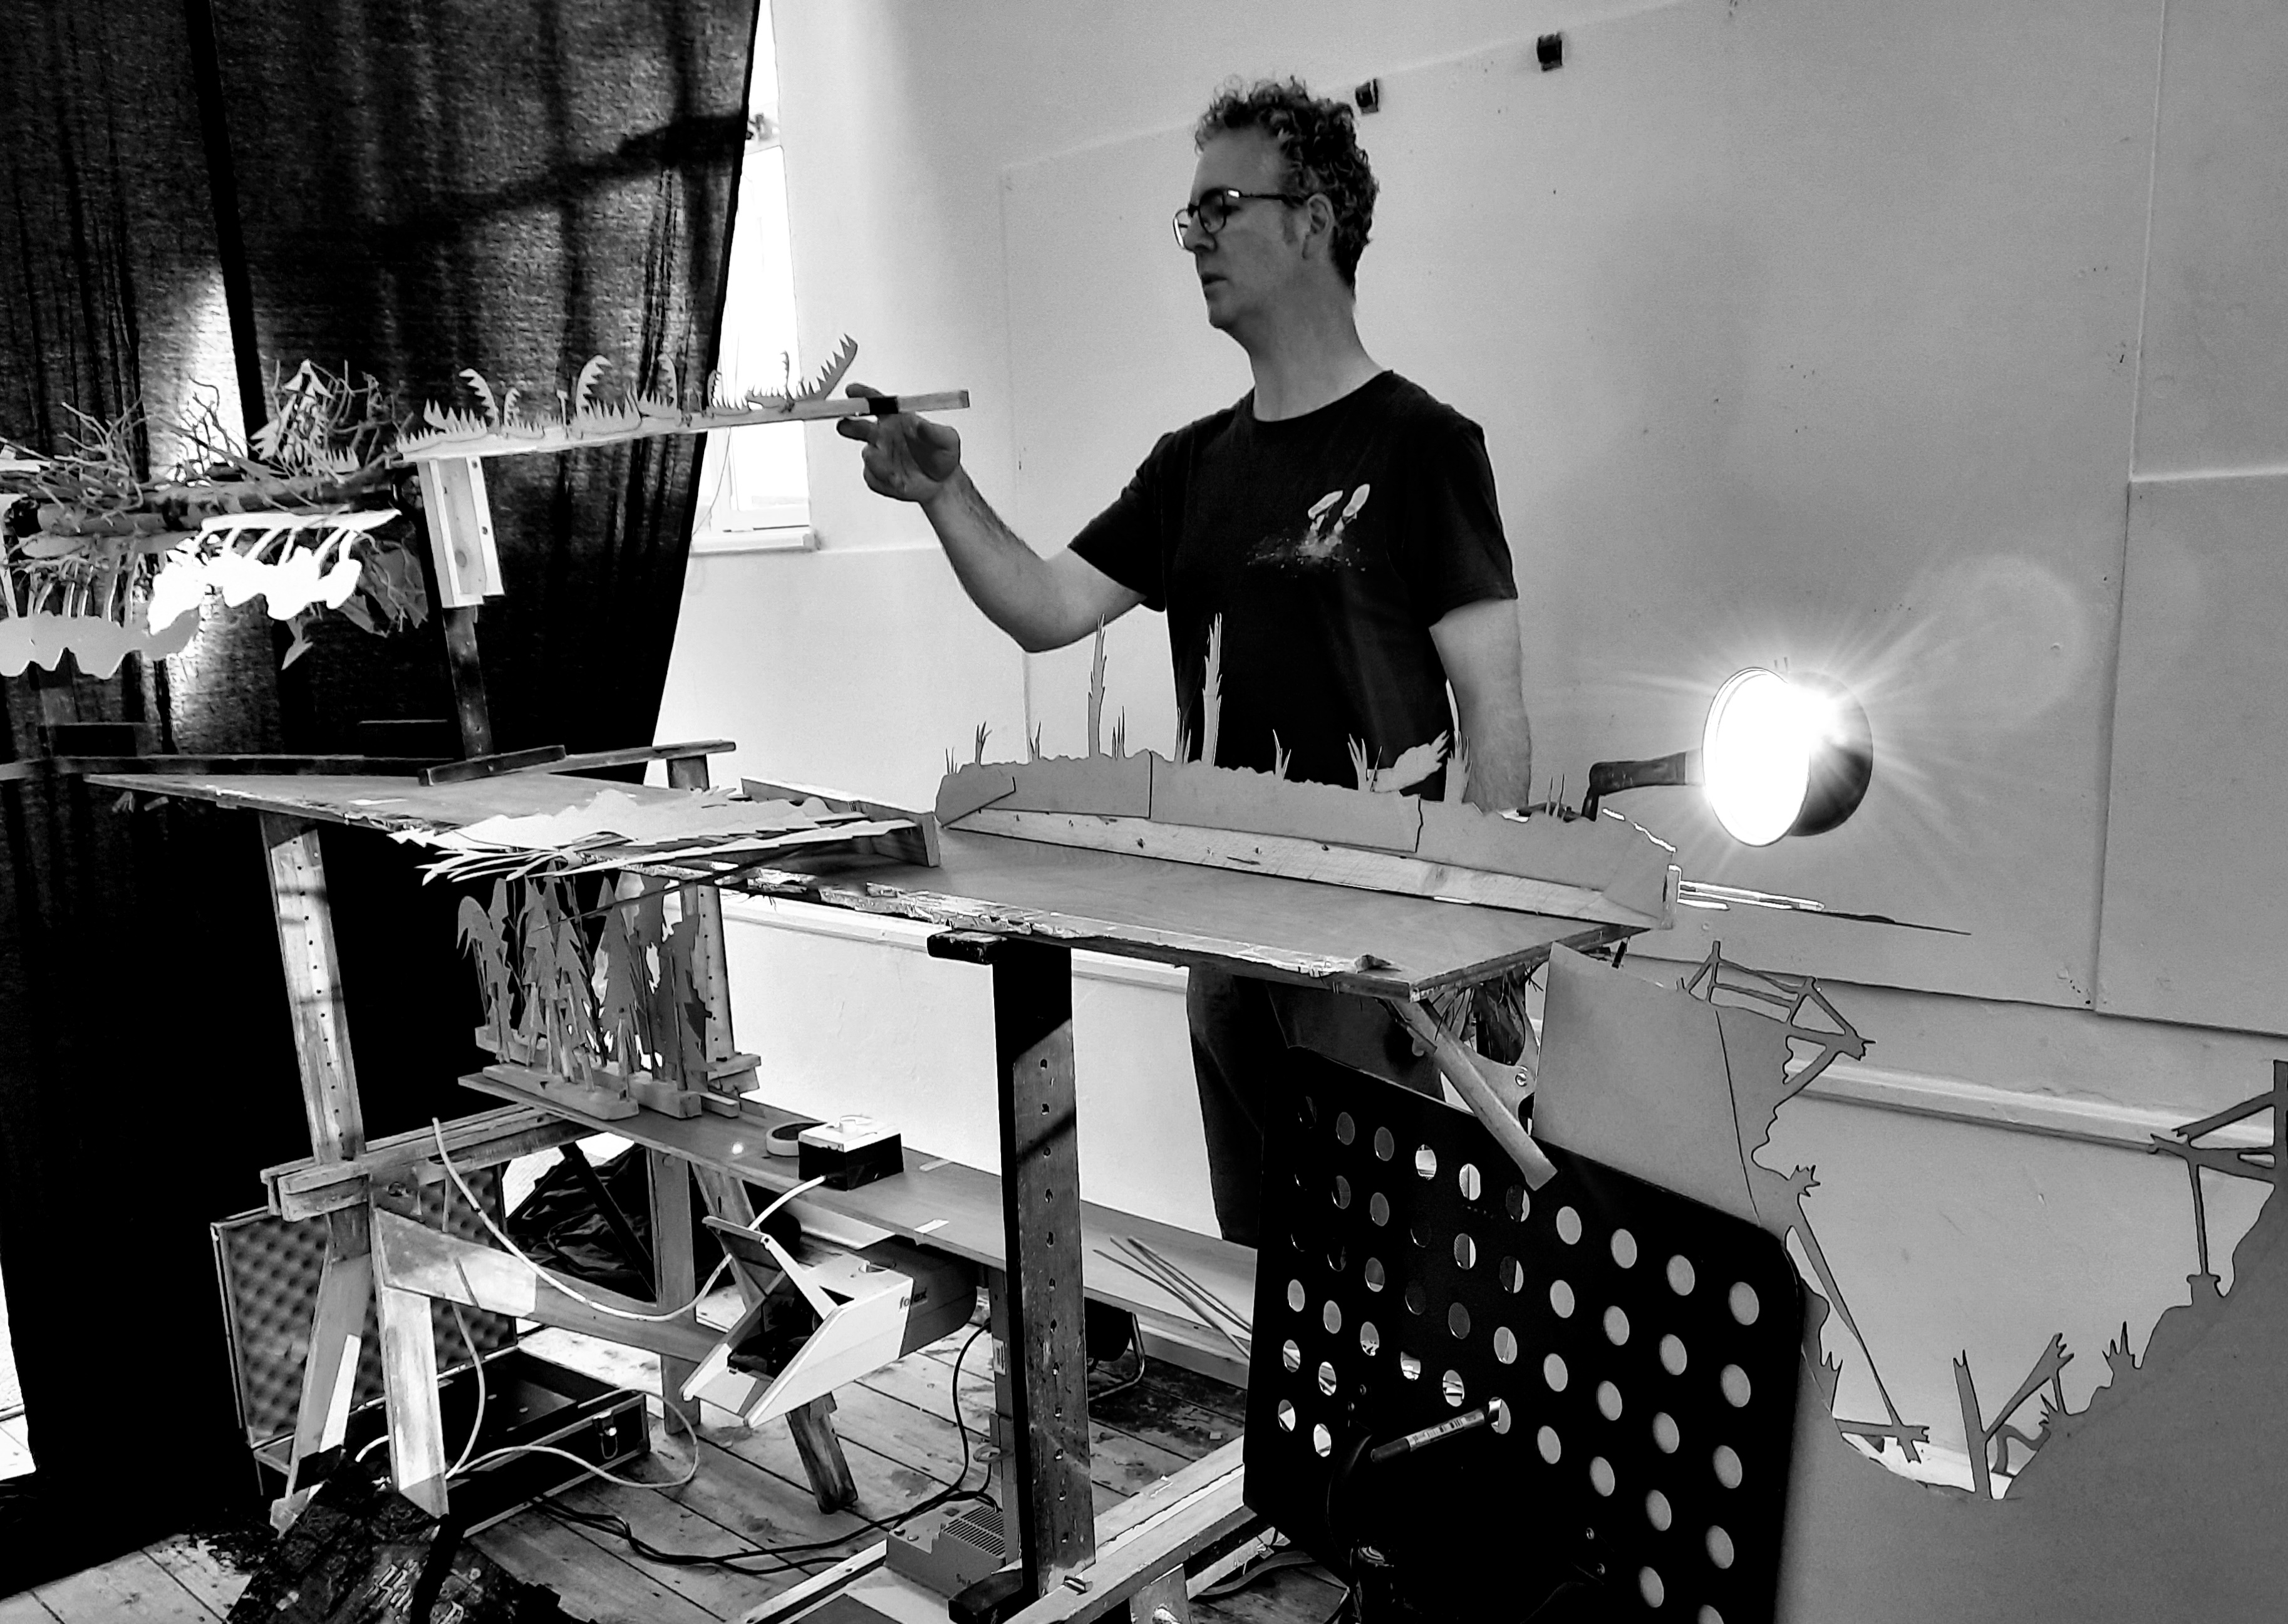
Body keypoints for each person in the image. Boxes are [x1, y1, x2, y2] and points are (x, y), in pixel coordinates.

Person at [836, 78, 1534, 1245]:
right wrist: (942, 493)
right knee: (1269, 1274)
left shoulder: (1422, 448)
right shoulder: (1189, 467)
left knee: (1393, 1287)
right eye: (1190, 216)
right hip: (1225, 950)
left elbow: (1497, 719)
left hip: (1377, 967)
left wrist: (1472, 965)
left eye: (1221, 206)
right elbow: (1047, 606)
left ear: (1313, 218)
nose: (1196, 237)